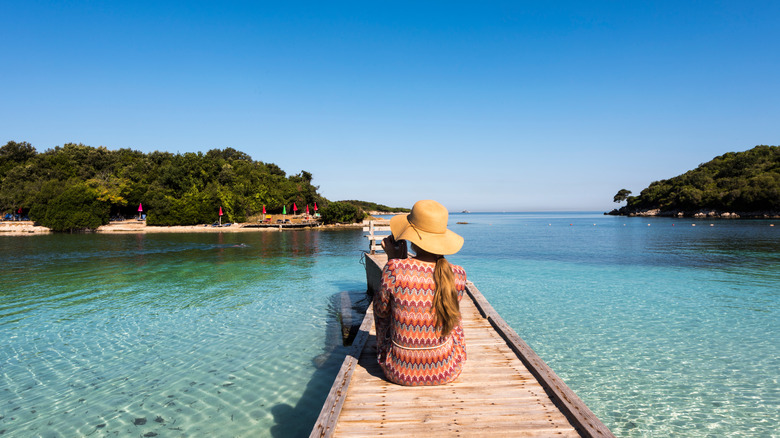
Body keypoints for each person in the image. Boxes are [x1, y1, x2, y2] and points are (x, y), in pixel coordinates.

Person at [374, 199, 468, 386]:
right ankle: (437, 351)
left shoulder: (395, 269)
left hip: (398, 370)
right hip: (445, 369)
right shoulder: (458, 273)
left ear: (411, 236)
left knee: (384, 310)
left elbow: (381, 311)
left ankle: (394, 352)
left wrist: (393, 260)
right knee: (454, 317)